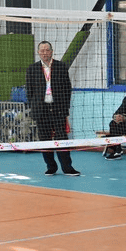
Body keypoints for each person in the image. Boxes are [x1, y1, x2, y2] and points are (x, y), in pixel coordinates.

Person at [25, 40, 79, 176]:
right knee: (44, 140)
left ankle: (67, 168)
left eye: (47, 50)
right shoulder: (32, 69)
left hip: (58, 109)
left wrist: (65, 110)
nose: (44, 53)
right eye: (42, 50)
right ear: (38, 52)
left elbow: (67, 89)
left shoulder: (61, 67)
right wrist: (35, 108)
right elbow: (29, 91)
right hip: (41, 110)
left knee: (62, 138)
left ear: (51, 51)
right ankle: (51, 167)